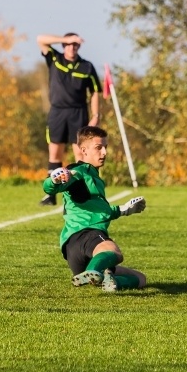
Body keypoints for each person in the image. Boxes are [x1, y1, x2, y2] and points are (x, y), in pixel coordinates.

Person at [42, 125, 147, 292]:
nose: (104, 152)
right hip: (86, 235)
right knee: (113, 251)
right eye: (99, 147)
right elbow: (53, 186)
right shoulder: (78, 172)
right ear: (83, 150)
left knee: (140, 278)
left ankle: (111, 282)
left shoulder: (93, 176)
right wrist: (54, 180)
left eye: (105, 147)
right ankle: (94, 270)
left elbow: (98, 210)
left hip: (73, 250)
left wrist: (125, 209)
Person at [37, 32, 101, 206]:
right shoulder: (55, 59)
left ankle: (83, 193)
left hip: (78, 113)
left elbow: (95, 91)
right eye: (69, 44)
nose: (72, 47)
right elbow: (40, 39)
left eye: (75, 44)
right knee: (55, 153)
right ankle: (51, 195)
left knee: (80, 153)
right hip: (57, 112)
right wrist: (65, 39)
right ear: (64, 45)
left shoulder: (87, 66)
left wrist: (96, 115)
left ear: (79, 47)